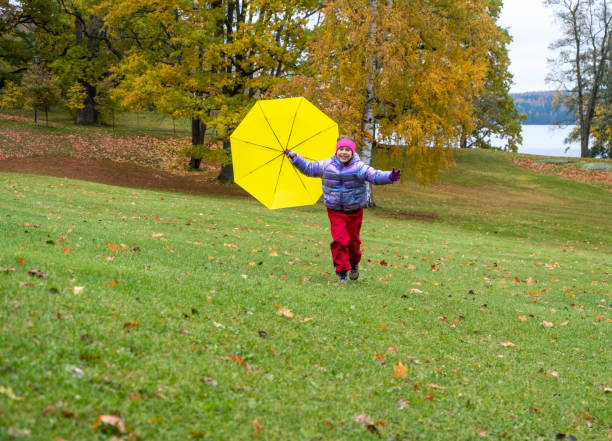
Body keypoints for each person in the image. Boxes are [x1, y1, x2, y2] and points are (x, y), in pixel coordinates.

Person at [285, 137, 401, 284]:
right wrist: (294, 157)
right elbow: (308, 168)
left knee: (353, 242)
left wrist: (389, 177)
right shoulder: (326, 165)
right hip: (335, 211)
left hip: (354, 211)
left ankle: (354, 264)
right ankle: (341, 273)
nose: (344, 153)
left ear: (352, 152)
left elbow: (374, 175)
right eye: (341, 149)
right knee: (340, 240)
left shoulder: (359, 167)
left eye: (348, 150)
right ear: (336, 150)